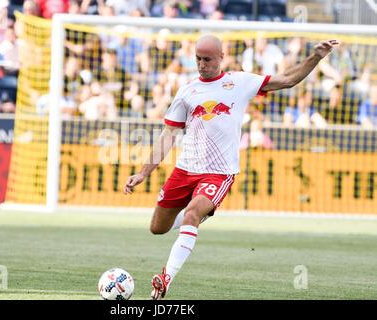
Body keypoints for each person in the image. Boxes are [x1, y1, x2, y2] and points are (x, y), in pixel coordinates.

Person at [123, 35, 338, 300]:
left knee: (191, 214)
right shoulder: (187, 91)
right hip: (184, 169)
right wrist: (143, 172)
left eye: (207, 59)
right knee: (157, 228)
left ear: (222, 57)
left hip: (218, 172)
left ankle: (166, 279)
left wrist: (315, 57)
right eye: (198, 59)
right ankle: (202, 215)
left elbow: (288, 79)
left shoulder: (239, 82)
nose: (202, 64)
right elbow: (168, 135)